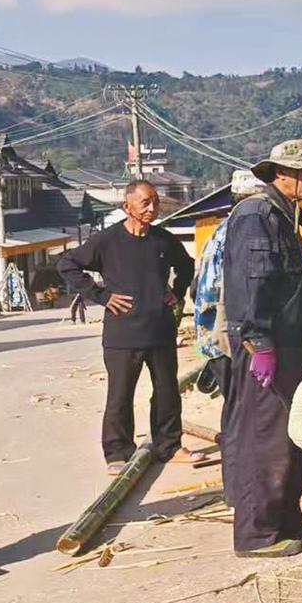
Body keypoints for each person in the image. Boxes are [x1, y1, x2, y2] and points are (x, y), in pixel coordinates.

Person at [221, 141, 302, 559]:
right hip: (266, 345)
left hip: (288, 342)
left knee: (290, 435)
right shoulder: (258, 215)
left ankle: (286, 519)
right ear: (281, 173)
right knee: (265, 437)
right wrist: (259, 342)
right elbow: (254, 282)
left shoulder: (285, 215)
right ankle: (256, 534)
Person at [58, 180, 195, 473]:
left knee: (167, 392)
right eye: (145, 202)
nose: (152, 207)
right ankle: (117, 452)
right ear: (127, 206)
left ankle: (169, 446)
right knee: (120, 396)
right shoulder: (107, 241)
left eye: (155, 201)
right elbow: (67, 265)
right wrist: (101, 296)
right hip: (123, 334)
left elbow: (187, 265)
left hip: (160, 330)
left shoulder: (163, 240)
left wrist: (177, 291)